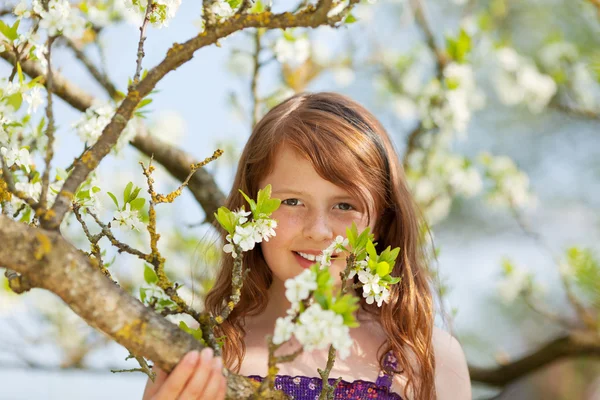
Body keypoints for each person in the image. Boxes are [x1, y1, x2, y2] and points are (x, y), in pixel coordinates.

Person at [142, 92, 471, 400]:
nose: (318, 231)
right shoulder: (204, 354)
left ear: (382, 221)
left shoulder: (427, 358)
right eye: (292, 201)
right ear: (250, 210)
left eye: (344, 206)